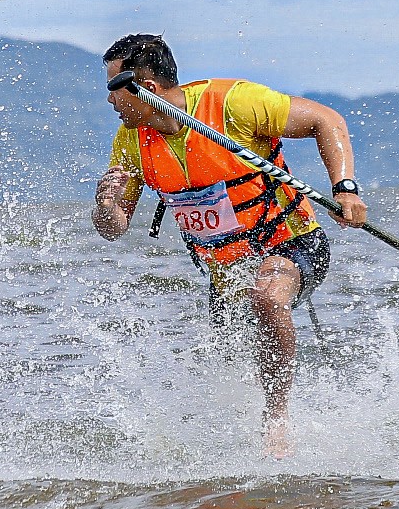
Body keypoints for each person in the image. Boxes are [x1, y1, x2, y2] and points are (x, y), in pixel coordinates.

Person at [92, 33, 368, 457]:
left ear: (145, 89)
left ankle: (277, 426)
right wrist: (106, 203)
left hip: (292, 243)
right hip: (226, 271)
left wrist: (344, 189)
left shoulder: (231, 104)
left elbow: (326, 120)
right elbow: (113, 228)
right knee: (232, 357)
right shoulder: (131, 141)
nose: (109, 101)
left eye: (113, 88)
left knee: (266, 296)